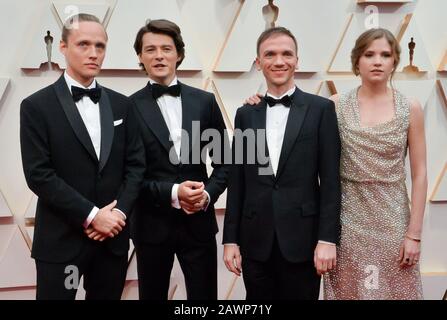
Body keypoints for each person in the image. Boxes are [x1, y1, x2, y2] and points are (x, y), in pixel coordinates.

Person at [20, 13, 145, 300]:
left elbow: (136, 167)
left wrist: (117, 214)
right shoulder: (36, 106)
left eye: (100, 46)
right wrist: (92, 216)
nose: (93, 53)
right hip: (61, 240)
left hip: (111, 240)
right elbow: (39, 174)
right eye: (84, 44)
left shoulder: (122, 105)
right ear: (63, 47)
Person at [223, 26, 342, 300]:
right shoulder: (245, 114)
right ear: (258, 62)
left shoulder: (321, 109)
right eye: (270, 54)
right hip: (255, 242)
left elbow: (331, 182)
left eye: (287, 54)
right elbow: (237, 181)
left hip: (304, 241)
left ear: (297, 61)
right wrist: (231, 239)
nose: (279, 61)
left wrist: (327, 239)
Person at [323, 28, 427, 300]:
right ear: (357, 61)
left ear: (395, 61)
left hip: (393, 224)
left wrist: (414, 234)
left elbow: (420, 173)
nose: (377, 61)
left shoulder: (410, 107)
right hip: (347, 224)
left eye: (385, 54)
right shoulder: (335, 105)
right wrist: (259, 101)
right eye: (369, 54)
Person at [129, 19, 229, 300]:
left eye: (166, 48)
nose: (159, 55)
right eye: (150, 49)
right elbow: (129, 176)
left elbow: (224, 162)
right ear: (140, 57)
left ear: (179, 54)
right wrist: (173, 192)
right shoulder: (127, 107)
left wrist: (206, 195)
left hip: (198, 224)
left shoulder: (205, 101)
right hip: (151, 225)